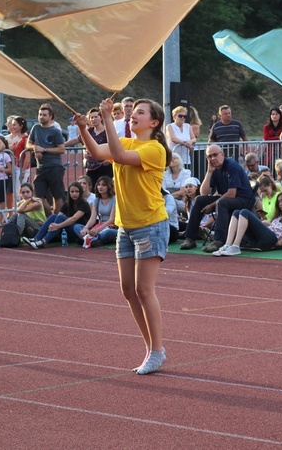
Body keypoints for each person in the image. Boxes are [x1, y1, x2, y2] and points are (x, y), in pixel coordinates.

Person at [75, 97, 171, 375]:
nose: (133, 115)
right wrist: (83, 128)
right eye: (132, 112)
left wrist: (106, 118)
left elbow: (117, 156)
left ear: (154, 123)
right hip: (125, 226)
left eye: (140, 113)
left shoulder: (155, 149)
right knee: (128, 290)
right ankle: (152, 349)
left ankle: (156, 349)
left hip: (150, 224)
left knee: (144, 289)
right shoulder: (127, 142)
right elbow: (96, 151)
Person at [180, 144, 256, 253]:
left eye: (215, 155)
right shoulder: (214, 169)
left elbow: (232, 193)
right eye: (209, 156)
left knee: (222, 202)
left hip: (243, 200)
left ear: (222, 154)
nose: (213, 159)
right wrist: (209, 171)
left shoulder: (231, 166)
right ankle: (190, 238)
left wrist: (212, 205)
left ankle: (218, 240)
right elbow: (203, 192)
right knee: (199, 200)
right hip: (227, 199)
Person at [213, 190, 282, 255]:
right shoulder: (278, 216)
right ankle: (228, 245)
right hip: (260, 239)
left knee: (245, 212)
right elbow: (270, 224)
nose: (280, 204)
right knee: (236, 212)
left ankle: (236, 246)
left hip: (272, 239)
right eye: (279, 202)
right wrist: (263, 223)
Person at [22, 181, 90, 249]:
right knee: (54, 216)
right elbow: (58, 217)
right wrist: (54, 225)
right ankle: (36, 238)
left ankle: (43, 241)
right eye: (72, 192)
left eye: (77, 191)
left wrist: (58, 226)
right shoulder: (67, 203)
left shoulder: (84, 204)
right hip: (66, 230)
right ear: (69, 193)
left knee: (60, 218)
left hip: (78, 231)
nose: (74, 194)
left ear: (80, 192)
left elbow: (74, 219)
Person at [27, 103, 66, 214]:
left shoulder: (56, 131)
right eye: (40, 114)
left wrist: (44, 149)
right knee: (38, 196)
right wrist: (35, 148)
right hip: (41, 168)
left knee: (57, 195)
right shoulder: (36, 128)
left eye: (44, 115)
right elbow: (28, 144)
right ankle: (50, 219)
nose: (41, 117)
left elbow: (61, 149)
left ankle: (56, 220)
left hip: (55, 167)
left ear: (50, 117)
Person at [81, 176, 118, 248]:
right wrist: (86, 227)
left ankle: (89, 239)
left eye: (104, 185)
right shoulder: (96, 200)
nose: (100, 187)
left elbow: (111, 219)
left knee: (108, 233)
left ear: (109, 186)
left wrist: (98, 230)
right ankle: (93, 239)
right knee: (78, 227)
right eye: (99, 184)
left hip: (112, 227)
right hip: (99, 225)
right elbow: (93, 218)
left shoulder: (114, 199)